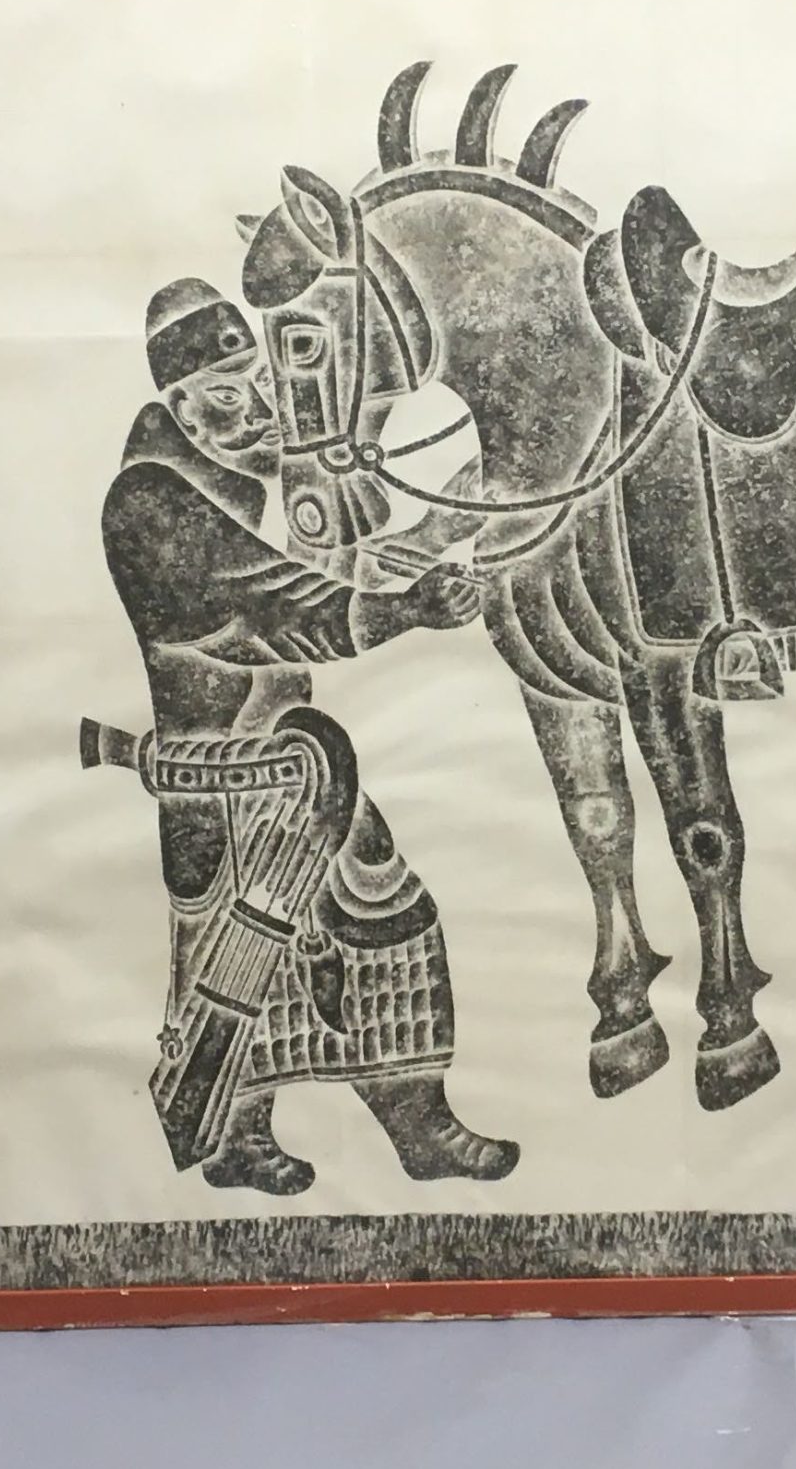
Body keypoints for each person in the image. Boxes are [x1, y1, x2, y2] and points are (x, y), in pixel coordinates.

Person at [91, 276, 511, 1196]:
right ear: (181, 407)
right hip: (225, 777)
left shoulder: (244, 480)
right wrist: (403, 609)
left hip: (305, 770)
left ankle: (418, 1121)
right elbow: (268, 609)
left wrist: (437, 527)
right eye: (228, 395)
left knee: (390, 918)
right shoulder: (150, 505)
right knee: (240, 967)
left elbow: (332, 564)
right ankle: (234, 1136)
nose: (257, 409)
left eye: (259, 384)